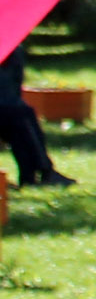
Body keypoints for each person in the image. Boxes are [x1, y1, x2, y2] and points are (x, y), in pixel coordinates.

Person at [0, 40, 73, 188]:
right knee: (18, 114)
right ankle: (42, 172)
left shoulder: (12, 49)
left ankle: (35, 174)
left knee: (21, 114)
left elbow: (13, 91)